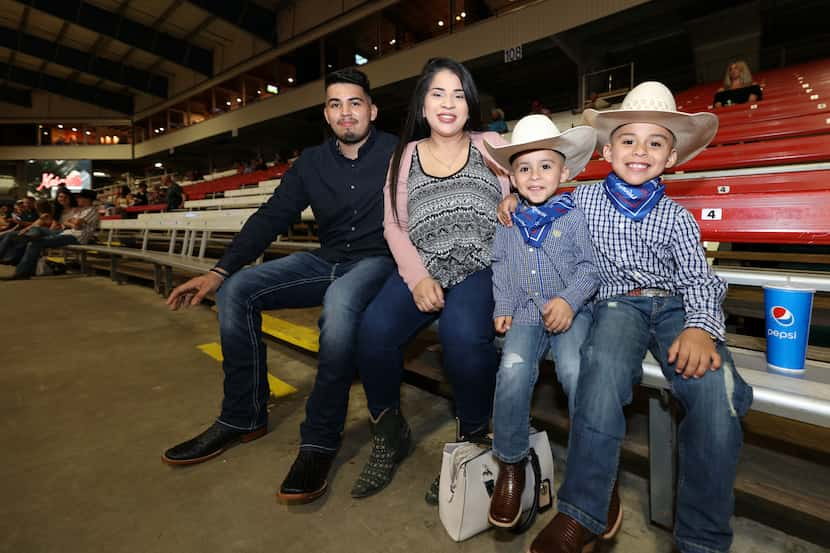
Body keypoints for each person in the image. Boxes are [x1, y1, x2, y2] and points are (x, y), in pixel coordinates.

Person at [498, 82, 753, 553]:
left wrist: (700, 327)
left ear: (671, 157)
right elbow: (540, 195)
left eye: (655, 142)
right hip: (617, 304)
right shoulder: (582, 201)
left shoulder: (677, 217)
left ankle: (702, 540)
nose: (640, 151)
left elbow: (699, 278)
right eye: (628, 140)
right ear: (608, 149)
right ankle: (584, 512)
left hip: (679, 308)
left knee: (719, 395)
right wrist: (515, 200)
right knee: (601, 376)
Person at [161, 68, 398, 506]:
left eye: (355, 103)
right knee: (237, 290)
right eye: (335, 104)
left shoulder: (400, 153)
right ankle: (242, 417)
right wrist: (219, 272)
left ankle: (319, 441)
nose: (346, 112)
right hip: (326, 258)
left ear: (372, 110)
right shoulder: (311, 162)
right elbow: (271, 217)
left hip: (377, 261)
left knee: (339, 309)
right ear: (327, 115)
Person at [348, 58, 511, 500]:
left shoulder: (491, 144)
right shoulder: (404, 156)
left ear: (470, 104)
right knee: (374, 331)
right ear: (422, 105)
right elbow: (393, 225)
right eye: (438, 93)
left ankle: (471, 439)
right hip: (424, 266)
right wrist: (417, 277)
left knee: (462, 336)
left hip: (481, 265)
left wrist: (513, 201)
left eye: (459, 94)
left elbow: (524, 190)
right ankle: (389, 433)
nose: (448, 103)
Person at [481, 115, 599, 528]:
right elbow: (502, 267)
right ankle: (510, 461)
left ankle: (593, 465)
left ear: (564, 172)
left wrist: (568, 300)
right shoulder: (509, 221)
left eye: (546, 166)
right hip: (528, 315)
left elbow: (590, 268)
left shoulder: (575, 214)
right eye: (524, 168)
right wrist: (503, 307)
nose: (535, 176)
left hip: (571, 312)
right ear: (511, 177)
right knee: (512, 371)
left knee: (574, 369)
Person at [2, 189, 99, 280]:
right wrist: (73, 222)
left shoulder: (91, 210)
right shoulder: (81, 210)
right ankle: (28, 243)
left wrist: (73, 222)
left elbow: (76, 224)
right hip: (67, 233)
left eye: (80, 197)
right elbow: (68, 222)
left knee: (35, 243)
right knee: (36, 231)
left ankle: (21, 272)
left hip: (76, 237)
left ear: (88, 199)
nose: (78, 199)